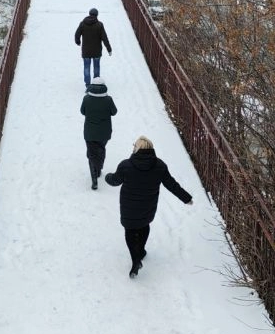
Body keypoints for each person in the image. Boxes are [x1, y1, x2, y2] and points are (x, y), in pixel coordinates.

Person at [104, 136, 193, 278]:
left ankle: (135, 260)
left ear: (137, 148)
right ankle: (141, 251)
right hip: (148, 205)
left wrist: (107, 177)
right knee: (144, 225)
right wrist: (186, 198)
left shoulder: (126, 165)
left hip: (129, 206)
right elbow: (171, 184)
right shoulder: (160, 166)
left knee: (130, 230)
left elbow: (115, 181)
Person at [81, 77, 117, 190]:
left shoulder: (86, 99)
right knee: (101, 149)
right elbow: (114, 112)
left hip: (89, 132)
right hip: (104, 132)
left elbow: (82, 111)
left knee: (91, 153)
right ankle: (99, 169)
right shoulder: (108, 99)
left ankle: (94, 179)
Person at [74, 7, 112, 88]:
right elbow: (105, 38)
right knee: (96, 67)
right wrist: (109, 49)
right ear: (97, 15)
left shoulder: (82, 24)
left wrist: (78, 42)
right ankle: (96, 84)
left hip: (86, 51)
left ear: (89, 14)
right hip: (97, 51)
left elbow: (77, 35)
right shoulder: (99, 25)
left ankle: (88, 85)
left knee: (86, 68)